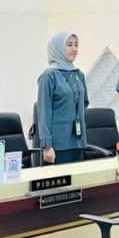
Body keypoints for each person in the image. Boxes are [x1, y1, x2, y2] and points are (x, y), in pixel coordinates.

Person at [36, 32, 89, 164]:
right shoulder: (48, 76)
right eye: (69, 45)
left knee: (79, 177)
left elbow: (84, 103)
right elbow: (43, 112)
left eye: (76, 45)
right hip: (57, 145)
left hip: (78, 142)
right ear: (58, 48)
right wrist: (47, 145)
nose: (74, 49)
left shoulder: (79, 74)